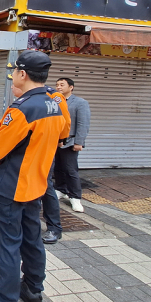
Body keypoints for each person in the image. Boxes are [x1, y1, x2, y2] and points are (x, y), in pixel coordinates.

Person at [0, 50, 65, 302]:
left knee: (8, 244)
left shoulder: (22, 109)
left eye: (14, 72)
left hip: (11, 187)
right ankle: (33, 291)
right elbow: (60, 136)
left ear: (23, 74)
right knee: (32, 240)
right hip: (36, 185)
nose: (12, 77)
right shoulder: (56, 105)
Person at [0, 75, 71, 256]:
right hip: (23, 158)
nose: (12, 86)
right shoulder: (23, 102)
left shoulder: (52, 97)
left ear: (25, 77)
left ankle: (54, 228)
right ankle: (4, 239)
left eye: (14, 81)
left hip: (40, 154)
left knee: (45, 188)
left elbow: (64, 126)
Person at [54, 77, 91, 213]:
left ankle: (75, 197)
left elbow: (83, 123)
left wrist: (79, 142)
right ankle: (60, 189)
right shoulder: (54, 101)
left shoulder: (80, 103)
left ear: (71, 87)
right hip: (55, 140)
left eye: (62, 85)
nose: (58, 87)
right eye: (57, 85)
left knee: (70, 169)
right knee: (57, 167)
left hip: (70, 141)